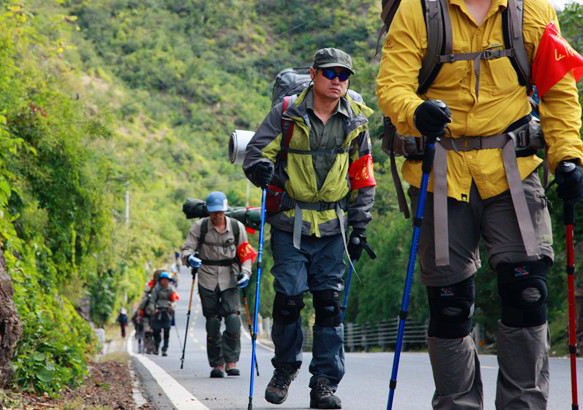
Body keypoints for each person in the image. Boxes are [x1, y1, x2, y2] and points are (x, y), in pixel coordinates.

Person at [376, 0, 583, 407]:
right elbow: (391, 84)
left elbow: (559, 90)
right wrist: (416, 110)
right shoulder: (419, 11)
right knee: (450, 306)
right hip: (440, 174)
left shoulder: (533, 11)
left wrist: (569, 156)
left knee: (529, 292)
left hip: (514, 169)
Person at [242, 47, 376, 409]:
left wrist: (360, 226)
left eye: (344, 75)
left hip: (334, 227)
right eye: (330, 73)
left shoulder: (355, 120)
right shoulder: (287, 113)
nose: (337, 81)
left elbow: (363, 176)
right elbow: (256, 152)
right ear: (314, 74)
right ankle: (285, 368)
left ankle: (324, 384)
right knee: (287, 301)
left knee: (329, 305)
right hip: (290, 224)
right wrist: (258, 171)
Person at [181, 190, 256, 378]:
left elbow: (246, 255)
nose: (217, 216)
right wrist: (189, 258)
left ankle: (231, 361)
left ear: (225, 210)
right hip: (207, 277)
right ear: (208, 211)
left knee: (232, 319)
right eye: (214, 212)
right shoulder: (200, 227)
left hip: (230, 277)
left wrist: (246, 273)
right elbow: (187, 248)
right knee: (213, 322)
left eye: (220, 212)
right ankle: (217, 364)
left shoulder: (237, 227)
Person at [147, 271, 179, 356]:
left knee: (167, 330)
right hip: (158, 312)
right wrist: (153, 309)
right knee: (156, 330)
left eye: (166, 280)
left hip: (167, 313)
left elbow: (174, 300)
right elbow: (152, 301)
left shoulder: (171, 289)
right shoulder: (156, 289)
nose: (165, 282)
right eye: (163, 280)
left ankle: (164, 349)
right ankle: (156, 346)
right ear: (160, 280)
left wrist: (172, 306)